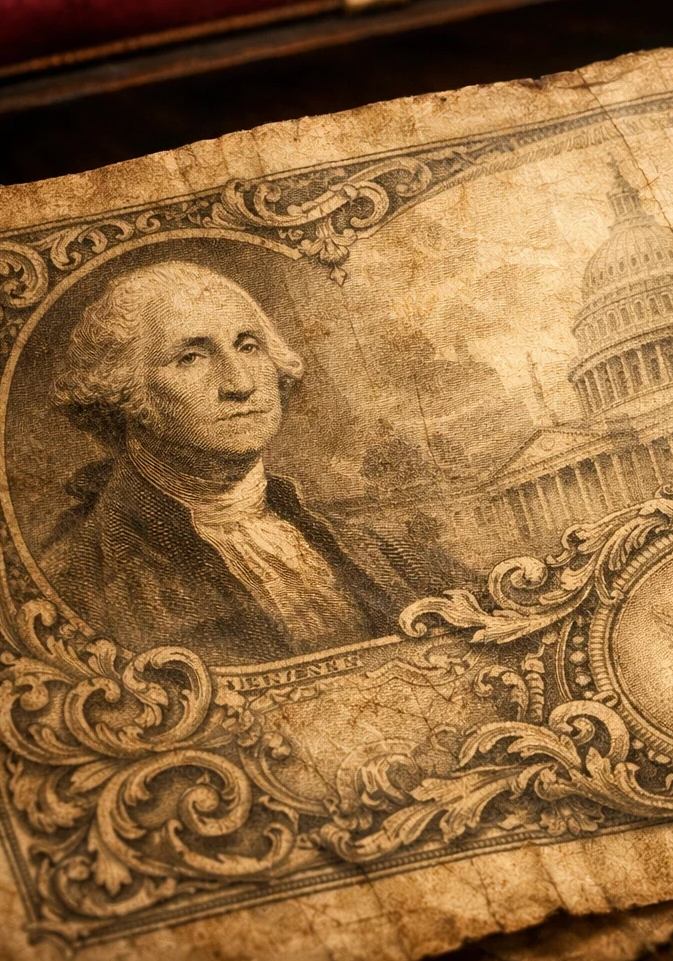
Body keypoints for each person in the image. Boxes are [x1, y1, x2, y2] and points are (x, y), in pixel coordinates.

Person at [42, 260, 462, 666]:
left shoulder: (377, 549)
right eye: (190, 357)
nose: (240, 384)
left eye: (248, 347)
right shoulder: (78, 579)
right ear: (121, 391)